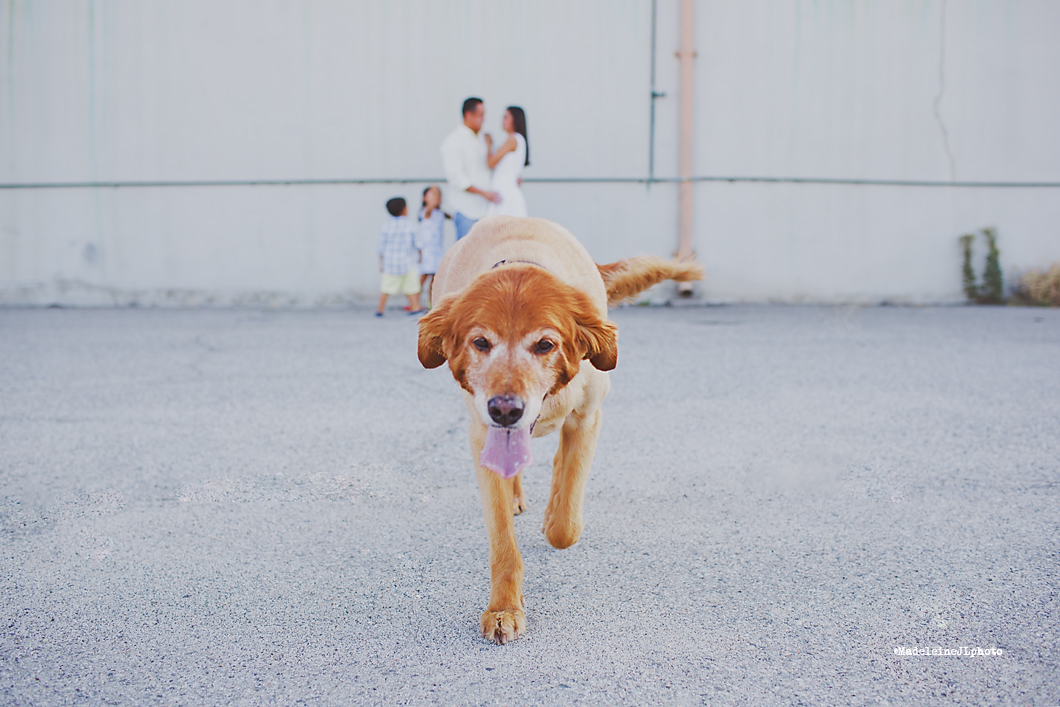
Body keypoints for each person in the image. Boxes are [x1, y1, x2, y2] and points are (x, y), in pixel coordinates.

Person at [440, 97, 500, 240]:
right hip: (466, 211)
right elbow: (456, 178)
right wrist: (483, 193)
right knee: (467, 259)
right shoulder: (452, 142)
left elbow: (489, 167)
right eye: (480, 115)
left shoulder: (483, 139)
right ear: (468, 115)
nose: (483, 119)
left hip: (486, 211)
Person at [376, 197, 424, 317]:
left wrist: (381, 263)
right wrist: (420, 256)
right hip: (407, 263)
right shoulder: (410, 226)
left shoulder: (386, 226)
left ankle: (380, 310)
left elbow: (380, 247)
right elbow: (418, 244)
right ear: (404, 210)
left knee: (386, 288)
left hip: (390, 264)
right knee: (411, 287)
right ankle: (415, 307)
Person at [486, 106, 529, 217]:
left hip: (505, 196)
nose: (503, 120)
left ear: (515, 120)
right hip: (506, 194)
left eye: (506, 117)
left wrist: (488, 145)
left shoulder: (512, 139)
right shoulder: (519, 139)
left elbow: (490, 163)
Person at [417, 185, 448, 305]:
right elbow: (429, 207)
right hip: (426, 250)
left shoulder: (439, 213)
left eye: (438, 195)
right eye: (433, 194)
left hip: (437, 250)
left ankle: (431, 301)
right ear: (425, 198)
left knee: (434, 278)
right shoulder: (426, 212)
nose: (437, 197)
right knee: (423, 276)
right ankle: (415, 302)